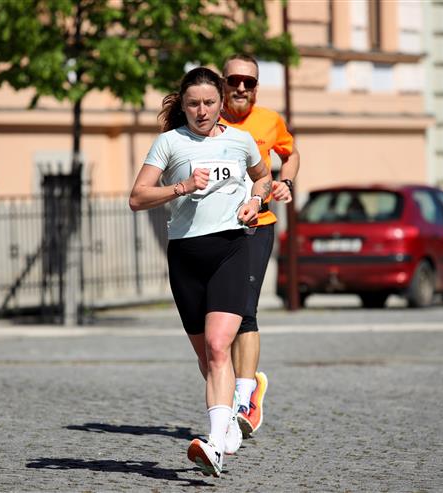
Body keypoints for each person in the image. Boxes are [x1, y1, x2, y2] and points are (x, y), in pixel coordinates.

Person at [129, 67, 270, 477]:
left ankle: (215, 444)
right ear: (184, 105)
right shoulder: (169, 143)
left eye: (209, 102)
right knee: (207, 357)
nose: (202, 110)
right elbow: (137, 197)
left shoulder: (240, 141)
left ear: (221, 102)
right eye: (193, 104)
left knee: (218, 345)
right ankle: (228, 421)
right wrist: (183, 187)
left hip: (231, 250)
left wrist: (255, 202)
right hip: (186, 257)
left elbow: (263, 178)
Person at [219, 54, 301, 438]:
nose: (241, 87)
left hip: (257, 225)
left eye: (249, 82)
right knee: (220, 318)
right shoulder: (207, 119)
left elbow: (291, 153)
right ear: (222, 83)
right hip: (214, 229)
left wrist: (287, 181)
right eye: (234, 80)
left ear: (256, 87)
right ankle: (244, 385)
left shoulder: (269, 120)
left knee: (245, 310)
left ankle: (244, 399)